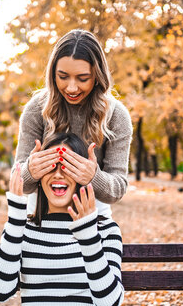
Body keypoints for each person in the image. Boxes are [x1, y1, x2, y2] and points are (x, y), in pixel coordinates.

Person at [0, 133, 124, 306]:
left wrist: (89, 238)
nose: (58, 174)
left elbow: (109, 305)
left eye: (68, 167)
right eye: (50, 166)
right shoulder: (21, 227)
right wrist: (15, 221)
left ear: (82, 174)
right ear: (38, 174)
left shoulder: (104, 229)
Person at [13, 29, 133, 218]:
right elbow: (18, 180)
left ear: (97, 76)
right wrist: (30, 170)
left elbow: (117, 188)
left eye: (82, 78)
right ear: (53, 74)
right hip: (42, 212)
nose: (71, 87)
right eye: (63, 76)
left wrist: (93, 177)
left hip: (94, 212)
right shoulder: (36, 109)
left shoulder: (116, 115)